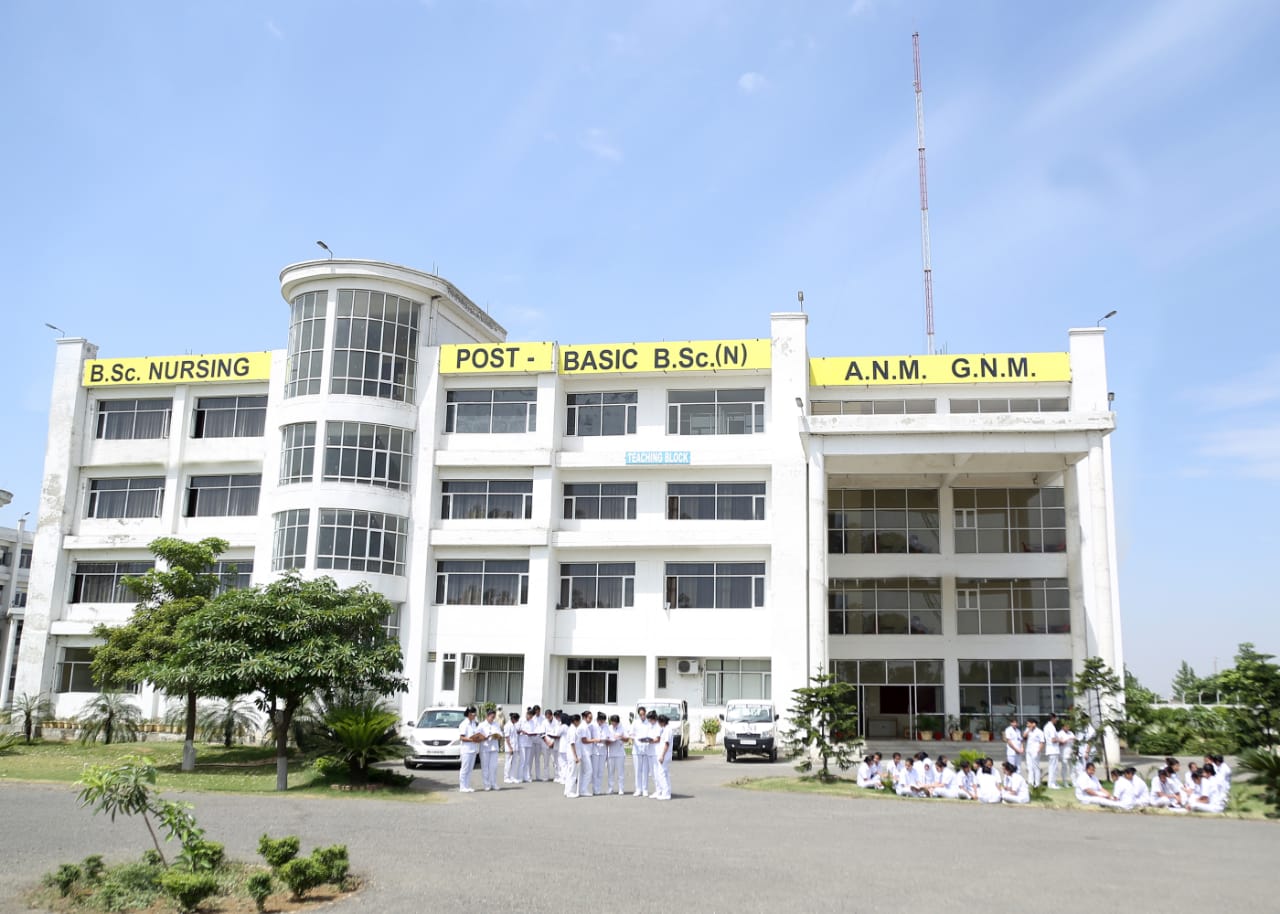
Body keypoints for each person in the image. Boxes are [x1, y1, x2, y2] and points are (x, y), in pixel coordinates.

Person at [458, 706, 481, 793]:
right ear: (469, 714)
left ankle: (467, 785)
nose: (474, 715)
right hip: (466, 749)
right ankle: (462, 786)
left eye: (475, 714)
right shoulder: (464, 724)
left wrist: (478, 738)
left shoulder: (474, 723)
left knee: (470, 769)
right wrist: (472, 740)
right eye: (473, 714)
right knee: (465, 768)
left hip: (473, 749)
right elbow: (462, 737)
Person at [478, 708, 502, 791]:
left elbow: (500, 733)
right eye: (492, 717)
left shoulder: (496, 724)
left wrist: (498, 736)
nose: (493, 719)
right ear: (487, 716)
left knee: (493, 767)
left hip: (494, 747)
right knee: (485, 767)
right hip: (485, 747)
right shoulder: (481, 725)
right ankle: (486, 784)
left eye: (494, 717)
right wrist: (484, 737)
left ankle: (493, 783)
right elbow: (477, 735)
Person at [652, 714, 674, 800]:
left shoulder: (668, 730)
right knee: (665, 773)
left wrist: (662, 755)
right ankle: (667, 791)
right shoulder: (665, 729)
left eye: (659, 722)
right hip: (664, 754)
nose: (658, 724)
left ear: (662, 722)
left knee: (661, 774)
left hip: (665, 755)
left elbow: (667, 744)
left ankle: (665, 793)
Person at [630, 708, 649, 797]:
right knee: (637, 770)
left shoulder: (649, 723)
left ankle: (645, 789)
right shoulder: (635, 722)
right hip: (637, 749)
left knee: (645, 770)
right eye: (640, 715)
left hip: (646, 749)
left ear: (645, 713)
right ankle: (638, 789)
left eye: (643, 714)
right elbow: (631, 734)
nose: (642, 716)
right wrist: (634, 740)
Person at [606, 714, 626, 795]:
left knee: (620, 772)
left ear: (618, 722)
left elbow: (627, 739)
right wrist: (609, 740)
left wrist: (620, 737)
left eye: (615, 722)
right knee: (610, 772)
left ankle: (621, 788)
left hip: (620, 753)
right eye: (612, 722)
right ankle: (610, 788)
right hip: (611, 753)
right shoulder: (608, 728)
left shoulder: (622, 728)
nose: (613, 724)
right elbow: (606, 739)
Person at [563, 714, 583, 798]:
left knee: (570, 773)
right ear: (575, 721)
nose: (580, 722)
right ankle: (570, 792)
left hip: (571, 754)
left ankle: (567, 791)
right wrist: (575, 756)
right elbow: (572, 744)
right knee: (572, 774)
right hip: (572, 755)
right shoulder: (572, 730)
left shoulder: (573, 729)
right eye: (579, 720)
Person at [517, 708, 538, 782]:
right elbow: (517, 729)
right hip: (522, 742)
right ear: (527, 714)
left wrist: (533, 733)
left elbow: (534, 730)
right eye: (530, 716)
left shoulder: (532, 722)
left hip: (529, 742)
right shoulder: (521, 720)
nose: (530, 717)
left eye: (532, 716)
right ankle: (520, 777)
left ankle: (527, 776)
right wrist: (522, 731)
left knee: (527, 761)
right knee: (522, 760)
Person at [1023, 719, 1044, 787]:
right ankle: (1031, 782)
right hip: (1028, 750)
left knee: (1035, 767)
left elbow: (1042, 742)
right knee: (1029, 767)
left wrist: (1039, 750)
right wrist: (1029, 730)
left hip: (1035, 750)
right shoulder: (1027, 729)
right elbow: (1024, 736)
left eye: (1028, 723)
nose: (1027, 725)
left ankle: (1037, 783)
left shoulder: (1039, 732)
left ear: (1033, 724)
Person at [592, 711, 608, 796]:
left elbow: (608, 736)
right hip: (595, 751)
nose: (602, 722)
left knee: (601, 771)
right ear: (598, 719)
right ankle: (594, 789)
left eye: (604, 721)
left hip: (603, 750)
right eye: (601, 720)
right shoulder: (592, 726)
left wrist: (606, 739)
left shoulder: (606, 726)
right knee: (595, 771)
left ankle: (598, 789)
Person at [1043, 713, 1061, 788]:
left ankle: (1053, 782)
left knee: (1054, 767)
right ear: (1052, 718)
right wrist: (1060, 739)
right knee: (1052, 767)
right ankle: (1051, 783)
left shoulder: (1048, 726)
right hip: (1052, 749)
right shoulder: (1050, 727)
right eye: (1056, 718)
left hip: (1053, 750)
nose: (1057, 720)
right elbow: (1053, 739)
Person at [503, 711, 522, 784]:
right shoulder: (507, 726)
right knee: (508, 763)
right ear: (513, 719)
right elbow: (507, 738)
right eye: (517, 720)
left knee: (515, 763)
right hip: (510, 747)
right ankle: (506, 777)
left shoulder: (514, 725)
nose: (517, 721)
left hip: (515, 747)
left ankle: (513, 777)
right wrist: (510, 748)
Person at [1057, 722, 1075, 786]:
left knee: (1072, 768)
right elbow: (1059, 743)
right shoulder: (1059, 733)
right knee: (1064, 768)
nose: (1068, 728)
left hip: (1071, 752)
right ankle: (1065, 782)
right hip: (1064, 753)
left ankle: (1074, 782)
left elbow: (1074, 741)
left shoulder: (1071, 733)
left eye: (1068, 727)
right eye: (1066, 727)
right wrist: (1067, 739)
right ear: (1063, 727)